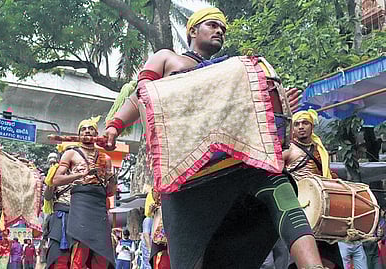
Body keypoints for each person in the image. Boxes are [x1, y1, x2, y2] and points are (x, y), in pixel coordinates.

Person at [102, 7, 324, 269]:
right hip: (186, 176)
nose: (219, 31)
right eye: (212, 25)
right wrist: (114, 126)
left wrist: (275, 100)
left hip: (239, 163)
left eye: (223, 29)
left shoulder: (235, 68)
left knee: (283, 192)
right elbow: (142, 95)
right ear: (193, 31)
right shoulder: (168, 59)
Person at [282, 110, 345, 269]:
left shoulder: (320, 149)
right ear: (292, 128)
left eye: (305, 123)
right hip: (300, 211)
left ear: (312, 126)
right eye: (297, 124)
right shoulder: (289, 150)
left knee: (330, 260)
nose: (301, 127)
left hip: (322, 210)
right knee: (302, 258)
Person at [52, 116, 115, 269]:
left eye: (91, 129)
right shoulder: (71, 154)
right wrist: (81, 175)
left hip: (98, 204)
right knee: (81, 247)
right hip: (80, 202)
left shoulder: (105, 158)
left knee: (101, 252)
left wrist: (112, 178)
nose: (87, 131)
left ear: (96, 134)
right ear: (79, 134)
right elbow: (56, 180)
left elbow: (110, 192)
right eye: (83, 129)